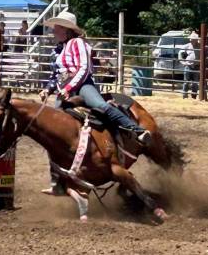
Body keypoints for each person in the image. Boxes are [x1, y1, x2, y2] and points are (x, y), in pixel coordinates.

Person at [38, 11, 151, 195]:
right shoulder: (58, 49)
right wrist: (48, 89)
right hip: (64, 90)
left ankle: (137, 131)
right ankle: (58, 180)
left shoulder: (79, 44)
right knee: (52, 133)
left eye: (56, 28)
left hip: (83, 86)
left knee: (102, 106)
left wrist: (69, 88)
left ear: (66, 30)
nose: (53, 31)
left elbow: (84, 68)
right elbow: (56, 75)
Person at [178, 31, 200, 99]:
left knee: (195, 83)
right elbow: (180, 53)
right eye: (191, 39)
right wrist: (182, 62)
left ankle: (194, 96)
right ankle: (184, 96)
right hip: (188, 66)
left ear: (196, 40)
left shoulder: (200, 45)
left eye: (193, 39)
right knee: (186, 82)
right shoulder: (187, 45)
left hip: (196, 66)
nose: (191, 40)